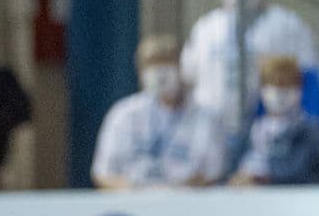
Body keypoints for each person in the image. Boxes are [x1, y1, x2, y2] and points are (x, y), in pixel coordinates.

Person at [180, 0, 319, 130]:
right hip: (211, 122)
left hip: (267, 121)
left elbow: (307, 71)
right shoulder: (207, 26)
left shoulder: (286, 24)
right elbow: (188, 73)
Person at [91, 36, 229, 190]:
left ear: (183, 67)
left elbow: (213, 174)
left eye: (167, 64)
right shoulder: (123, 114)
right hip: (132, 203)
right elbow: (103, 174)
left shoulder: (208, 117)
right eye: (152, 66)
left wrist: (173, 192)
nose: (160, 74)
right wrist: (138, 191)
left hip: (187, 204)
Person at [229, 54, 319, 186]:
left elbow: (296, 171)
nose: (279, 94)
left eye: (286, 87)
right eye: (272, 86)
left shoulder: (308, 129)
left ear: (299, 90)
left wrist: (258, 179)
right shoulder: (251, 126)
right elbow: (232, 165)